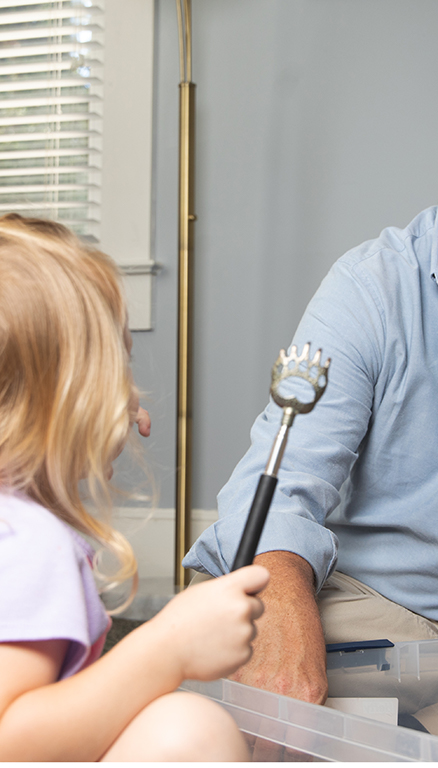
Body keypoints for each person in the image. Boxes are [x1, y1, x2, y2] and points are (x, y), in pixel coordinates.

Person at [184, 35, 438, 709]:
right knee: (220, 643)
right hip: (376, 615)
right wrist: (280, 590)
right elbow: (281, 479)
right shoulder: (370, 287)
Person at [0, 213, 269, 762]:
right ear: (70, 399)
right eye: (117, 369)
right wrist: (166, 648)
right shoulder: (25, 540)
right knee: (187, 727)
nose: (133, 395)